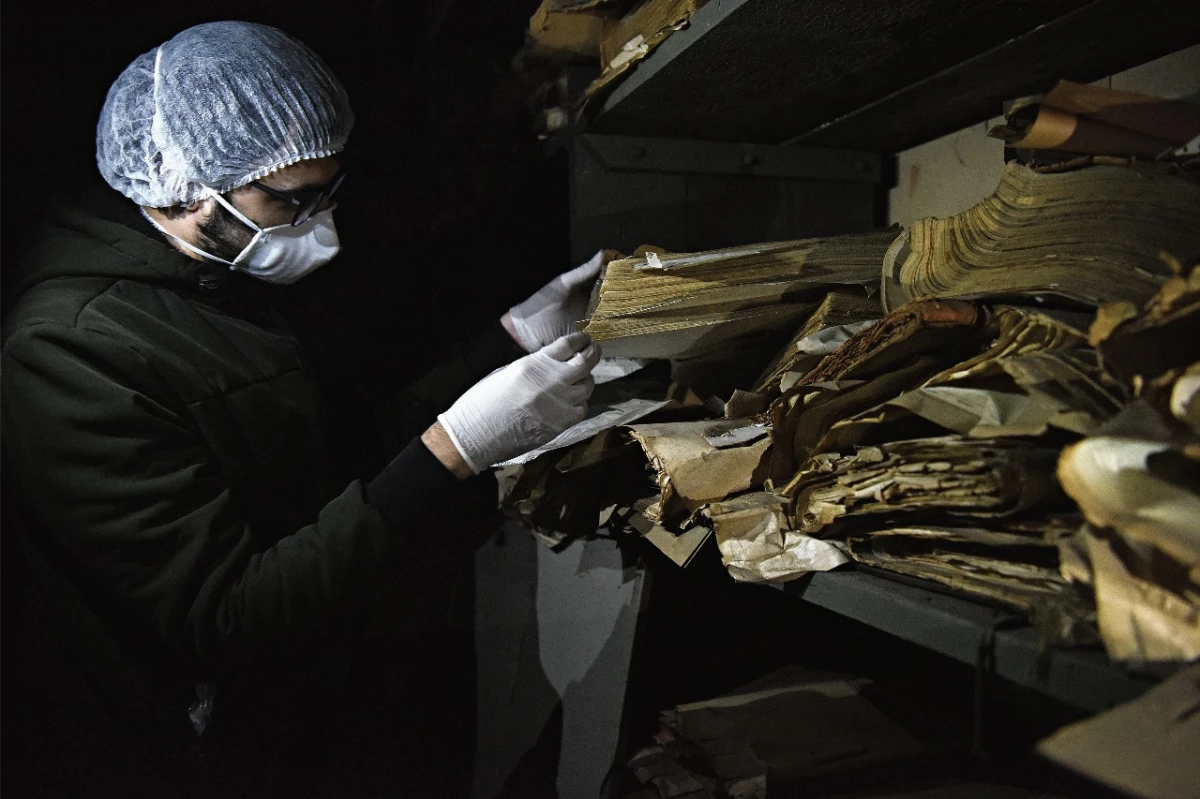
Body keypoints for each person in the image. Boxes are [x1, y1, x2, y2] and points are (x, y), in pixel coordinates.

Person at [0, 20, 604, 797]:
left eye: (327, 194)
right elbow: (224, 615)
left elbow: (324, 458)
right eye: (292, 199)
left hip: (308, 697)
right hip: (199, 751)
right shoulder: (67, 351)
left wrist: (506, 340)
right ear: (188, 186)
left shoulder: (211, 281)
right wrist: (453, 448)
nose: (322, 224)